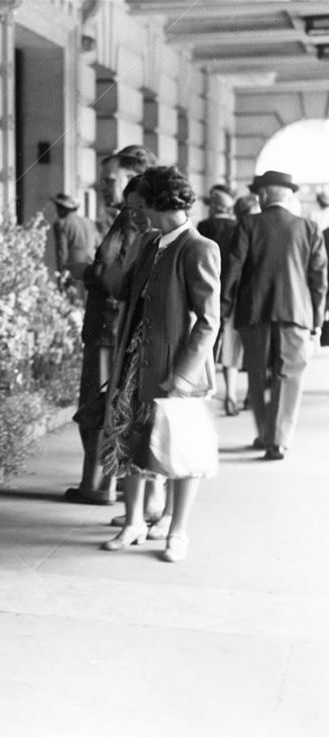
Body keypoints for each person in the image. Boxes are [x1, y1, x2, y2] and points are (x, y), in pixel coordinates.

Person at [99, 166, 221, 562]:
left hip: (178, 369)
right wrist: (117, 242)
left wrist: (183, 376)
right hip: (136, 360)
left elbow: (209, 320)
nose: (137, 212)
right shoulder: (149, 242)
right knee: (131, 437)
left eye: (141, 205)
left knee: (184, 453)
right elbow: (119, 287)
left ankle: (177, 532)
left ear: (157, 203)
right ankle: (133, 522)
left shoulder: (199, 247)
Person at [63, 144, 157, 506]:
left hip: (110, 328)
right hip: (110, 326)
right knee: (104, 404)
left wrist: (85, 271)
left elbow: (120, 278)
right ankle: (100, 481)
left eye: (109, 179)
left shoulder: (131, 221)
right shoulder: (128, 218)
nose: (102, 185)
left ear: (132, 177)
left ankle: (99, 484)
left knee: (100, 404)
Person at [222, 170, 328, 460]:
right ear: (289, 195)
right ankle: (279, 440)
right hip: (296, 313)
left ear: (264, 195)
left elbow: (233, 270)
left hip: (254, 312)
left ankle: (266, 433)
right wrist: (317, 321)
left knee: (258, 375)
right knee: (289, 375)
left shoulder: (247, 225)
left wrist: (224, 310)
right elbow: (319, 280)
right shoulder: (309, 228)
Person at [199, 186, 245, 416]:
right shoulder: (238, 228)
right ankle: (231, 394)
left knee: (204, 339)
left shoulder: (204, 228)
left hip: (206, 290)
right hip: (233, 291)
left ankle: (205, 389)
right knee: (230, 345)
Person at [50, 193, 98, 290]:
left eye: (58, 207)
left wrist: (60, 277)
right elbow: (98, 244)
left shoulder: (61, 223)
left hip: (73, 270)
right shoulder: (89, 222)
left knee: (73, 302)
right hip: (92, 267)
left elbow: (61, 252)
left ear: (63, 209)